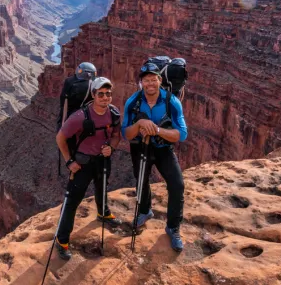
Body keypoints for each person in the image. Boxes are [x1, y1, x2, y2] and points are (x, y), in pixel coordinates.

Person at [122, 62, 188, 252]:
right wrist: (141, 123)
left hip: (163, 149)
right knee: (141, 181)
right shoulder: (132, 102)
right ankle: (144, 211)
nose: (150, 83)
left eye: (153, 79)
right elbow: (126, 133)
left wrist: (157, 130)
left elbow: (182, 134)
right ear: (141, 82)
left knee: (177, 184)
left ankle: (173, 228)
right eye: (146, 80)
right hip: (140, 148)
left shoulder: (171, 102)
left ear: (160, 80)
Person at [54, 77, 122, 260]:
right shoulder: (79, 117)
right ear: (93, 95)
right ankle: (62, 240)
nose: (105, 97)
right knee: (72, 202)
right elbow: (60, 138)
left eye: (108, 94)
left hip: (103, 161)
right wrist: (69, 162)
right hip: (82, 164)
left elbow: (116, 135)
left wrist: (112, 148)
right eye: (101, 94)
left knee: (102, 188)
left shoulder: (114, 113)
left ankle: (103, 213)